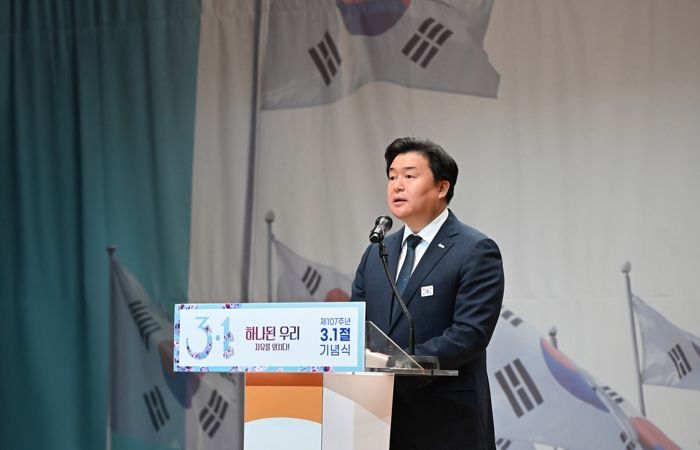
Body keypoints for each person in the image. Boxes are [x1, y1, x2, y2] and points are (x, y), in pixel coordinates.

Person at [351, 137, 504, 450]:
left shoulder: (475, 250)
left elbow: (469, 334)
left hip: (446, 422)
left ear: (442, 187)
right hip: (375, 420)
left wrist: (399, 365)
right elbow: (353, 325)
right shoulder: (377, 251)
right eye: (392, 176)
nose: (397, 185)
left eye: (409, 176)